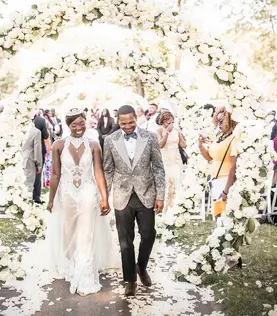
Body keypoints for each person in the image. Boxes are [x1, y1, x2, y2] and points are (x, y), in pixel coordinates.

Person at [45, 109, 115, 296]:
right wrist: (51, 199)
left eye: (81, 123)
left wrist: (104, 197)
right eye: (74, 124)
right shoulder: (58, 145)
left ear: (86, 122)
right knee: (69, 233)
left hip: (88, 193)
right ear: (68, 125)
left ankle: (86, 275)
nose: (79, 127)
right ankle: (71, 266)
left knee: (87, 234)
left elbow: (98, 173)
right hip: (66, 193)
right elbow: (55, 174)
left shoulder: (94, 145)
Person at [103, 105, 165, 297]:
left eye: (131, 122)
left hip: (146, 193)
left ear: (135, 119)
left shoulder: (150, 137)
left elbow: (158, 168)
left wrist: (160, 195)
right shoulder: (110, 140)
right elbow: (108, 169)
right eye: (123, 123)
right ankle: (130, 279)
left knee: (148, 235)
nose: (128, 125)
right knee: (125, 241)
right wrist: (104, 197)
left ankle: (142, 266)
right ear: (118, 121)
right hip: (122, 196)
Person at [198, 106, 239, 206]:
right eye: (217, 121)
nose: (219, 124)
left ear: (229, 121)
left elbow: (233, 167)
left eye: (221, 121)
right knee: (217, 213)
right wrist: (200, 146)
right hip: (215, 178)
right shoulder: (219, 136)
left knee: (223, 214)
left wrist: (226, 190)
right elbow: (209, 158)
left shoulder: (234, 138)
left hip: (226, 180)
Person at [156, 111, 186, 209]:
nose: (170, 125)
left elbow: (183, 145)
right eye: (168, 123)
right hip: (165, 160)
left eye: (172, 122)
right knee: (167, 184)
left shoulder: (176, 130)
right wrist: (167, 133)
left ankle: (175, 207)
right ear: (163, 122)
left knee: (176, 184)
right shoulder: (159, 131)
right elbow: (160, 145)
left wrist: (182, 135)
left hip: (176, 160)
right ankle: (165, 207)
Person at [21, 121, 43, 200]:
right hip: (29, 161)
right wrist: (39, 164)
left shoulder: (19, 129)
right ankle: (27, 206)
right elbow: (37, 150)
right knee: (29, 186)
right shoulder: (36, 132)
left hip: (18, 159)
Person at [33, 115, 50, 203]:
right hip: (39, 150)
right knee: (38, 174)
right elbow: (46, 136)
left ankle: (28, 195)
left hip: (27, 151)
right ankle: (36, 197)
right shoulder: (40, 121)